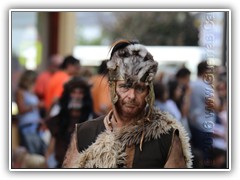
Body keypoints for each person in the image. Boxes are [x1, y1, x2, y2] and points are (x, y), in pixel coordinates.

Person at [62, 40, 193, 168]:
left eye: (140, 88)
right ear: (112, 87)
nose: (132, 96)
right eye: (125, 86)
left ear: (148, 92)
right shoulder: (84, 133)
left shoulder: (167, 137)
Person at [45, 77, 97, 168]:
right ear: (67, 95)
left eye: (80, 93)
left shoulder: (94, 120)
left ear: (85, 96)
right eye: (73, 92)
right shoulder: (57, 120)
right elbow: (51, 148)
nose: (76, 96)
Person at [15, 70, 47, 155]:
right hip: (27, 125)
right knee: (31, 151)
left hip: (36, 124)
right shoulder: (20, 92)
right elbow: (21, 109)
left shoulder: (32, 91)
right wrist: (36, 105)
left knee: (38, 150)